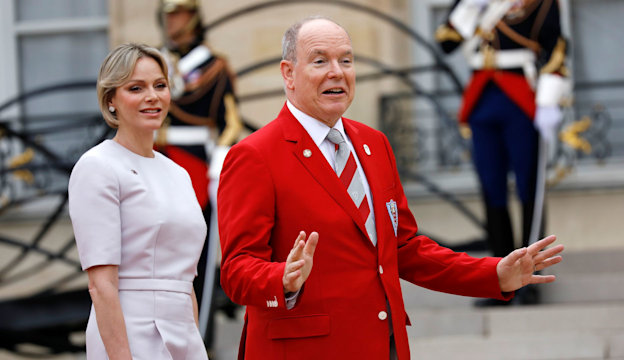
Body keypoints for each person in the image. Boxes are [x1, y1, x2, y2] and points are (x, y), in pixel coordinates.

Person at [217, 16, 564, 360]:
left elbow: (406, 250)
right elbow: (236, 271)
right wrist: (283, 278)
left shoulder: (374, 144)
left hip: (384, 345)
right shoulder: (254, 156)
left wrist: (493, 274)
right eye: (320, 60)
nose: (337, 71)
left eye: (347, 60)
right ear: (288, 74)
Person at [68, 43, 208, 359]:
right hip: (130, 333)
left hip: (184, 333)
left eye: (160, 85)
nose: (152, 96)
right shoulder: (97, 166)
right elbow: (101, 286)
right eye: (136, 87)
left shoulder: (178, 173)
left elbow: (185, 280)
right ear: (111, 100)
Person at [434, 0, 570, 304]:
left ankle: (531, 277)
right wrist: (470, 7)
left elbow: (556, 49)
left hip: (521, 98)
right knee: (491, 188)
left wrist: (549, 100)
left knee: (528, 187)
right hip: (482, 97)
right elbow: (446, 42)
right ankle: (499, 277)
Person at [157, 0, 243, 342]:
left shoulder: (215, 66)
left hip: (194, 162)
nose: (171, 22)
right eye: (167, 15)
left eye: (177, 14)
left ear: (192, 17)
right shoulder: (155, 62)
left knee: (195, 252)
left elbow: (230, 121)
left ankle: (197, 335)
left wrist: (219, 162)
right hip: (154, 155)